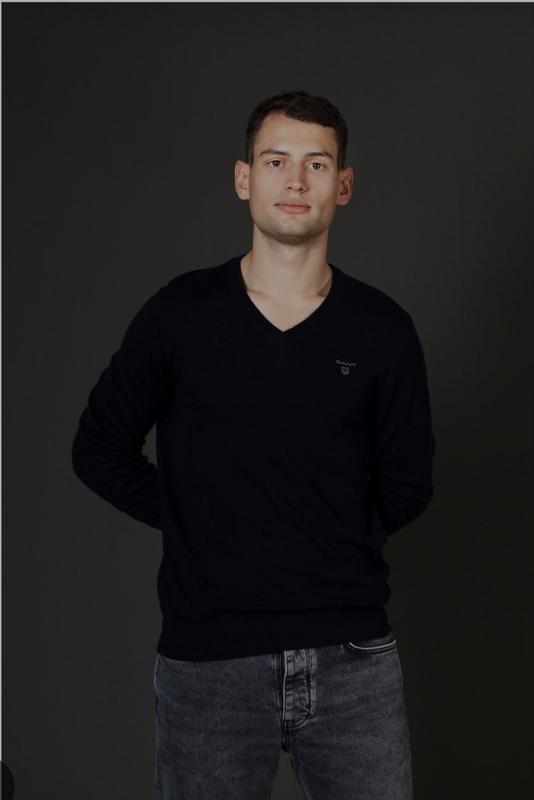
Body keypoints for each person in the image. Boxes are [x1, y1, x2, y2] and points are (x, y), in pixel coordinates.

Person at [71, 89, 436, 800]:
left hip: (353, 659)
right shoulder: (180, 315)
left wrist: (326, 531)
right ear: (244, 179)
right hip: (209, 663)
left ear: (343, 185)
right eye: (275, 161)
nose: (295, 180)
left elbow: (408, 483)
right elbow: (98, 449)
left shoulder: (383, 330)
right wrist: (195, 516)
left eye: (316, 164)